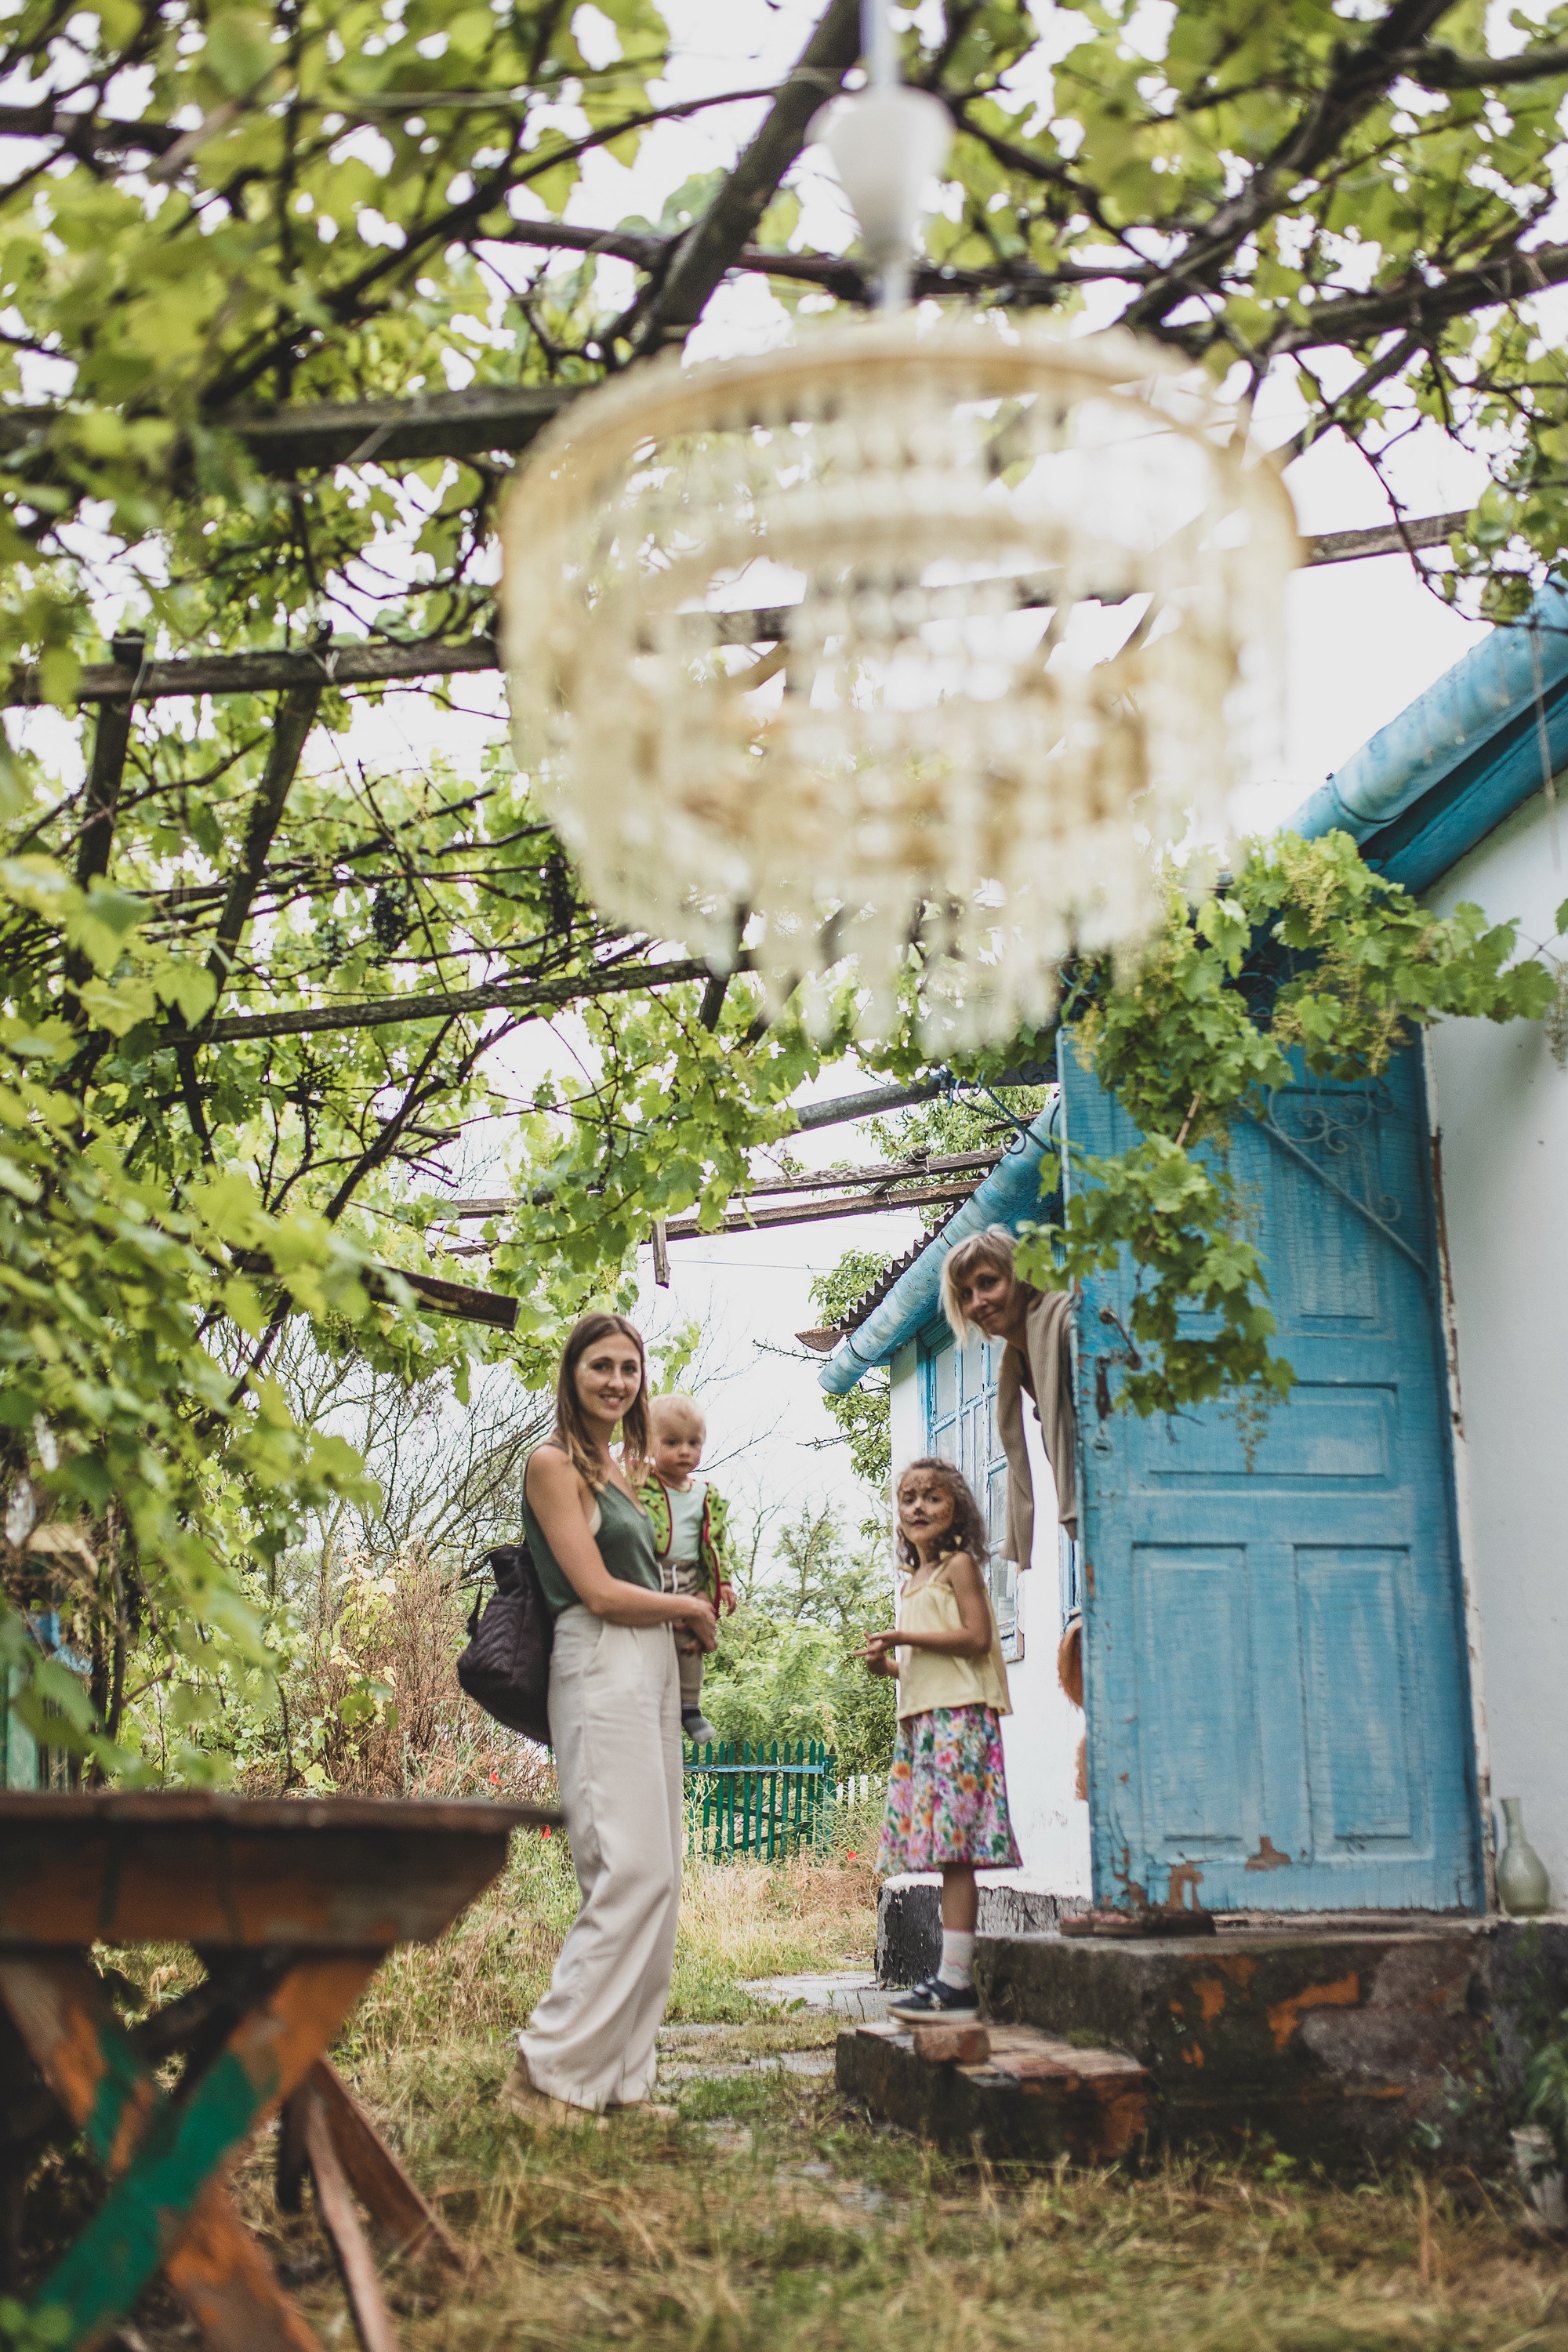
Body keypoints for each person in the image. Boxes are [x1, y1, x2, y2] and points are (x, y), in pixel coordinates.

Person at [503, 1312, 717, 2127]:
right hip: (597, 1657)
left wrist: (687, 1608)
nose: (616, 1382)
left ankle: (623, 2082)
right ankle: (547, 2072)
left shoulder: (627, 1473)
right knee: (624, 1869)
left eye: (628, 1369)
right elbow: (592, 1589)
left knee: (659, 1879)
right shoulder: (553, 1465)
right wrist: (685, 1605)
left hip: (652, 1664)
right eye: (601, 1366)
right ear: (572, 1374)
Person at [858, 1457, 1020, 2020]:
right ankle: (949, 1979)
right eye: (908, 1498)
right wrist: (890, 1668)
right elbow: (929, 1665)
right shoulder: (915, 1580)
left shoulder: (958, 1568)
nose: (919, 1507)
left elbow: (976, 1638)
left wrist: (905, 1634)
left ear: (956, 1509)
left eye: (932, 1497)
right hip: (928, 1723)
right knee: (945, 1853)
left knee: (957, 1855)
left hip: (961, 1722)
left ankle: (956, 1982)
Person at [939, 1222, 1078, 1560]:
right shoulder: (1017, 1362)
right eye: (966, 1294)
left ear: (1021, 1277)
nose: (979, 1302)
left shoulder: (1068, 1323)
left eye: (988, 1283)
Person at [638, 1392, 738, 1749]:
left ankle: (690, 1706)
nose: (685, 1451)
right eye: (672, 1442)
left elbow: (715, 1543)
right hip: (651, 1575)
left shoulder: (704, 1494)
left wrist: (722, 1581)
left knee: (690, 1643)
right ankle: (651, 1702)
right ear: (650, 1444)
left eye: (693, 1443)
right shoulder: (643, 1484)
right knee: (652, 1638)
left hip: (689, 1577)